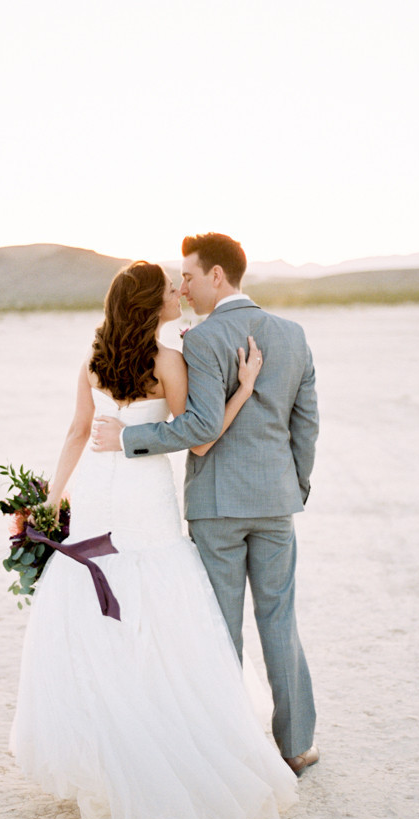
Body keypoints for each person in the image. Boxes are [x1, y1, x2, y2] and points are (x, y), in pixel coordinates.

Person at [10, 260, 298, 819]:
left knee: (96, 619)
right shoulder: (168, 361)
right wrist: (243, 388)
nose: (178, 294)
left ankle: (111, 745)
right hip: (143, 501)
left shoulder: (93, 359)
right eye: (169, 290)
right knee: (163, 609)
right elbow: (203, 434)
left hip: (96, 496)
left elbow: (75, 432)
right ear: (150, 304)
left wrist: (50, 503)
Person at [93, 234, 320, 776]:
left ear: (218, 275)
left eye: (189, 277)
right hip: (275, 502)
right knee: (280, 621)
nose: (184, 287)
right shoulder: (293, 334)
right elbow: (305, 423)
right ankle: (295, 747)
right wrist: (296, 488)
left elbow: (197, 428)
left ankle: (230, 746)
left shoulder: (200, 341)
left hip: (217, 505)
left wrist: (127, 440)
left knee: (221, 627)